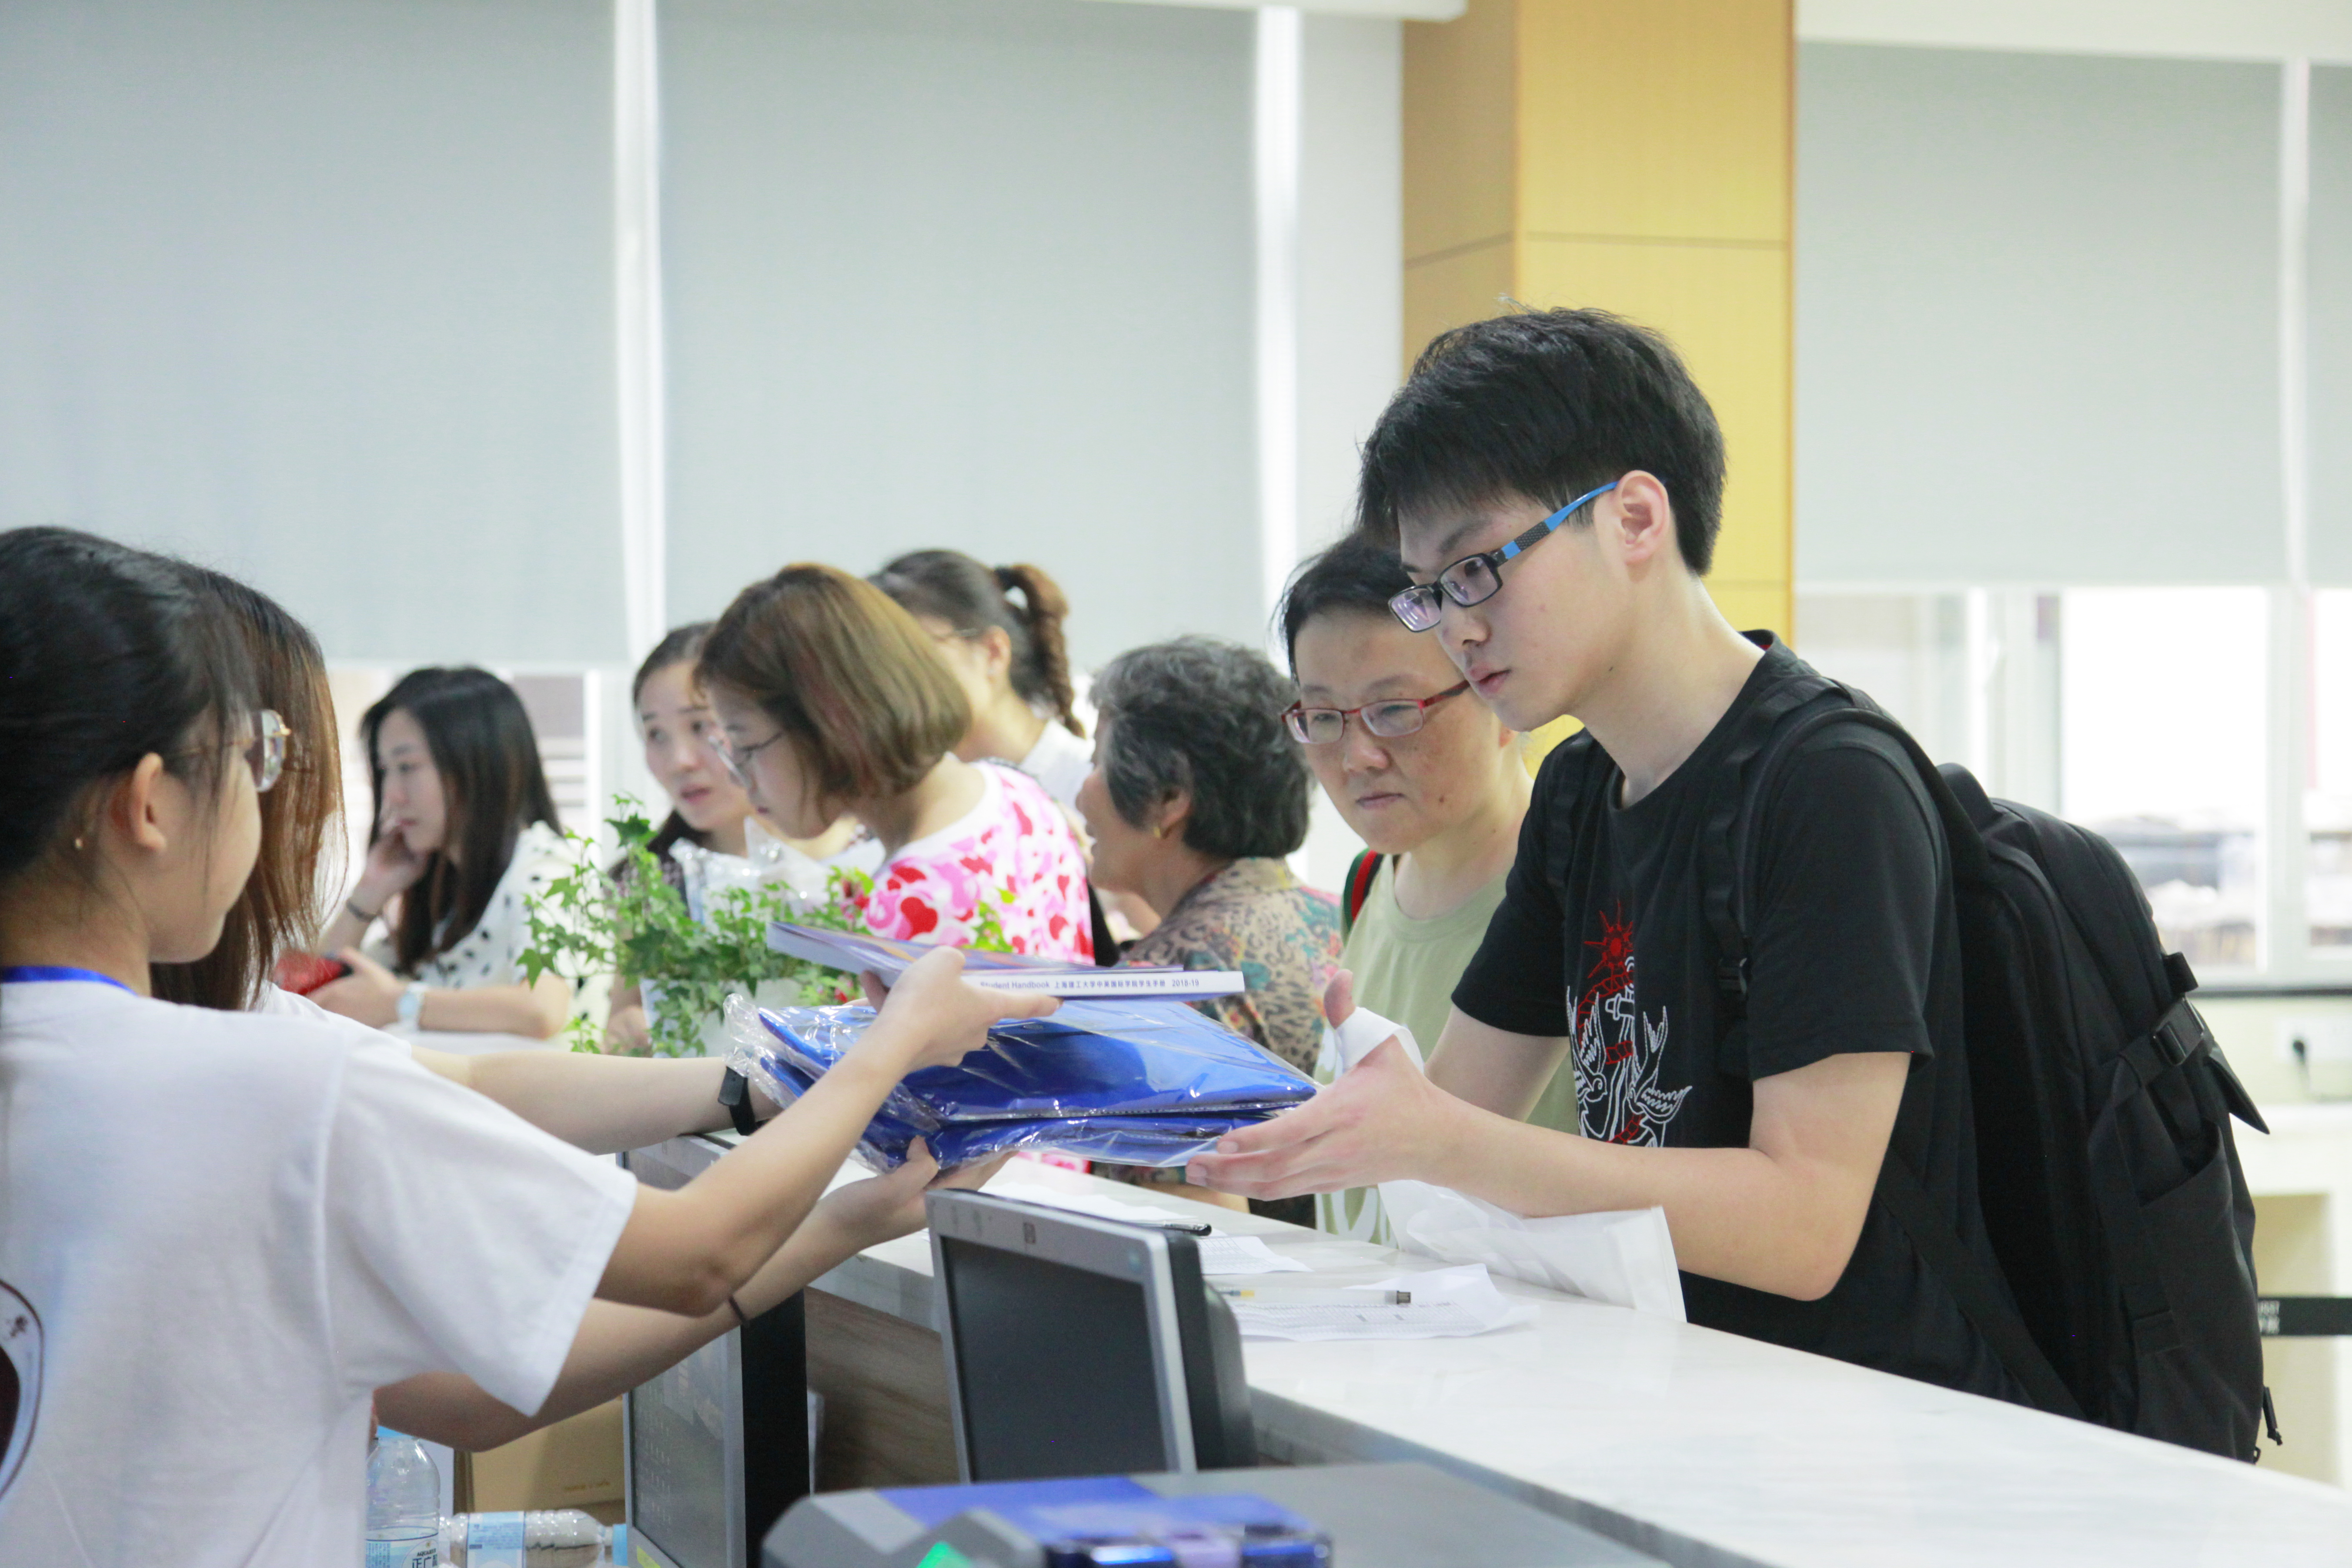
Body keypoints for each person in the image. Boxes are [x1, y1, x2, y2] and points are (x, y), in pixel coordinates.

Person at [0, 526, 1055, 1564]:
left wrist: (778, 1097)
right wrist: (887, 1045)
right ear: (150, 803)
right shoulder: (278, 1089)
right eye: (258, 758)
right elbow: (693, 1252)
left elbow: (458, 1378)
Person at [1188, 309, 2019, 1401]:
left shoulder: (1827, 782)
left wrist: (1433, 1138)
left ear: (1632, 518)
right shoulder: (1581, 791)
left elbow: (1803, 1225)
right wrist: (1313, 1127)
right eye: (1430, 592)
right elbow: (1459, 1106)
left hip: (1862, 1422)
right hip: (1667, 1393)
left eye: (1476, 569)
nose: (1455, 628)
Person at [1274, 536, 1549, 1241]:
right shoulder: (1370, 881)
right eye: (1323, 717)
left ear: (1494, 687)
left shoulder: (1584, 893)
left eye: (1395, 710)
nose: (1358, 756)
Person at [700, 562, 1094, 960]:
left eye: (746, 745)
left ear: (827, 723)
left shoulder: (907, 906)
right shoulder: (1017, 791)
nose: (739, 776)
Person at [603, 623, 875, 1054]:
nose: (680, 761)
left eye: (700, 726)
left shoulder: (866, 850)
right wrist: (630, 1028)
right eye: (656, 735)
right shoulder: (654, 880)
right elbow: (622, 1019)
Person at [1080, 637, 1341, 1073]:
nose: (1080, 793)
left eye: (1096, 764)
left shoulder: (1156, 989)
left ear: (1168, 797)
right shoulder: (1348, 918)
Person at [313, 667, 575, 1038]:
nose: (392, 795)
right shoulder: (444, 894)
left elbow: (542, 1010)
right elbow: (316, 995)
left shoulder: (546, 868)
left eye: (408, 767)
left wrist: (401, 1003)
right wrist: (368, 893)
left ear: (476, 764)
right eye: (386, 771)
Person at [870, 549, 1092, 809]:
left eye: (916, 653)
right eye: (878, 659)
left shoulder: (1090, 787)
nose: (891, 679)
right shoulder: (904, 797)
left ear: (994, 652)